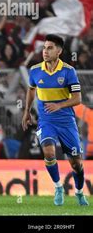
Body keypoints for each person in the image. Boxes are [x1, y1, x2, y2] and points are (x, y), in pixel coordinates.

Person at [22, 34, 89, 206]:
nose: (45, 51)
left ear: (59, 51)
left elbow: (77, 99)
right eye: (44, 48)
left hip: (66, 121)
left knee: (76, 164)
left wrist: (59, 105)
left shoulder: (68, 71)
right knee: (49, 153)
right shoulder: (35, 70)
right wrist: (27, 111)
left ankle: (80, 192)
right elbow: (31, 90)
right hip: (46, 121)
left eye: (50, 48)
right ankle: (58, 187)